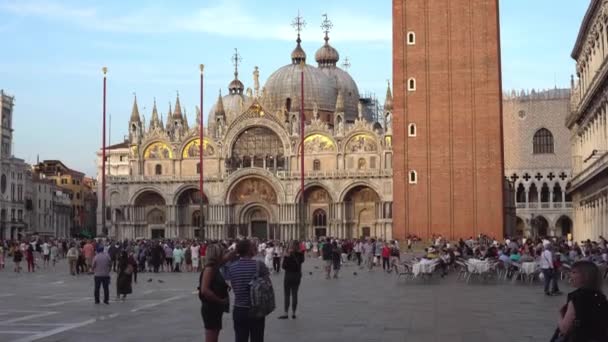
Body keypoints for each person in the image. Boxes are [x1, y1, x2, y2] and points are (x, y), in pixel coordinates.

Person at [227, 239, 270, 342]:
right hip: (256, 309)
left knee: (240, 339)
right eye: (252, 246)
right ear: (249, 250)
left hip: (239, 309)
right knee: (257, 339)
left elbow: (234, 285)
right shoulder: (259, 265)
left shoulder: (232, 267)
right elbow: (267, 285)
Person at [553, 261, 608, 341]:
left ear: (586, 276)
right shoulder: (601, 297)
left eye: (574, 272)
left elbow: (564, 328)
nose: (570, 275)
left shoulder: (577, 297)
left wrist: (560, 314)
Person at [199, 243, 232, 342]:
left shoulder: (215, 266)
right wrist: (220, 300)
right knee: (211, 338)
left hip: (215, 308)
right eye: (222, 252)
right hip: (211, 308)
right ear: (217, 254)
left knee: (214, 337)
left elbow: (226, 258)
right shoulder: (210, 269)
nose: (224, 254)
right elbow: (204, 290)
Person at [278, 241, 304, 320]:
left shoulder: (288, 255)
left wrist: (287, 257)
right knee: (295, 294)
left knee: (287, 294)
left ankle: (286, 313)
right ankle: (293, 313)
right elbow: (301, 262)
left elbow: (283, 266)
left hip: (288, 275)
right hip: (297, 275)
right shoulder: (301, 254)